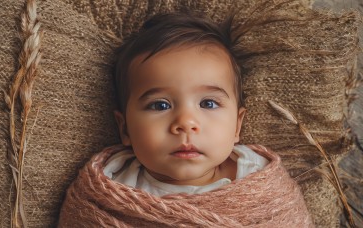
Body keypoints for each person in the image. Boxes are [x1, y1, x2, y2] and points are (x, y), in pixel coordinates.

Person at [58, 12, 313, 227]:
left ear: (237, 126)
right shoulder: (108, 189)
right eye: (160, 105)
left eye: (208, 103)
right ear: (125, 128)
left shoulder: (257, 178)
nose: (186, 122)